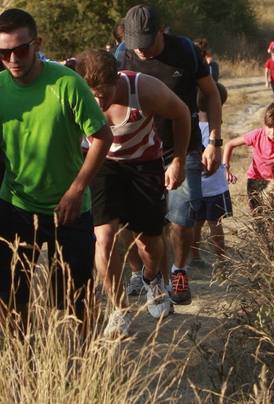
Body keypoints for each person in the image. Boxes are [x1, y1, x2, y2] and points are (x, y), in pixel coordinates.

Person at [0, 9, 112, 331]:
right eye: (4, 52)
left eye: (21, 49)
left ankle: (81, 364)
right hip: (16, 206)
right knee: (9, 294)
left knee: (73, 300)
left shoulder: (67, 83)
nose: (13, 58)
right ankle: (24, 363)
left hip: (70, 209)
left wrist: (76, 190)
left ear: (38, 44)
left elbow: (103, 137)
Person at [74, 50, 189, 337]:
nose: (98, 101)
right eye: (93, 94)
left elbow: (182, 114)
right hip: (101, 166)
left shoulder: (143, 88)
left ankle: (152, 279)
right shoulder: (74, 93)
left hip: (143, 165)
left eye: (104, 93)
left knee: (148, 243)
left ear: (118, 80)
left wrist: (178, 161)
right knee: (104, 239)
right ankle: (119, 310)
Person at [117, 4, 223, 307]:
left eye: (146, 44)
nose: (140, 51)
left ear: (161, 32)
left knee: (182, 217)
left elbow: (211, 94)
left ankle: (179, 271)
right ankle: (141, 272)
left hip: (183, 145)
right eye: (134, 44)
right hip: (136, 152)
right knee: (129, 220)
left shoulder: (185, 51)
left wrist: (214, 140)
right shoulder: (122, 54)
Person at [225, 102, 274, 213]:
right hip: (255, 180)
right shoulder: (256, 135)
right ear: (264, 124)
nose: (272, 132)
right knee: (257, 215)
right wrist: (226, 169)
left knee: (273, 216)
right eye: (269, 127)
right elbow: (230, 144)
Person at [191, 87, 231, 271]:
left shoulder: (192, 127)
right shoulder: (215, 130)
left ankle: (195, 256)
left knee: (196, 224)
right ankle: (222, 259)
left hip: (195, 186)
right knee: (216, 224)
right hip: (214, 187)